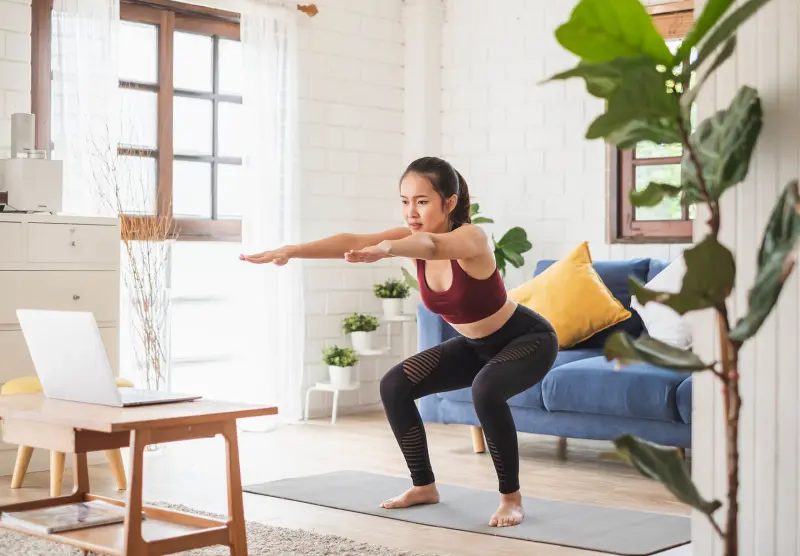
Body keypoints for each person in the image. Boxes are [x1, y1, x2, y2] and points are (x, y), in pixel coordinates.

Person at [240, 156, 559, 528]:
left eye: (422, 201)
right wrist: (290, 251)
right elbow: (352, 240)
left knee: (486, 390)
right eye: (405, 201)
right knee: (395, 384)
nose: (412, 211)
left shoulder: (472, 237)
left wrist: (389, 248)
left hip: (527, 339)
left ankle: (511, 499)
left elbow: (434, 247)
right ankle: (423, 486)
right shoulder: (409, 237)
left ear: (449, 202)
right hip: (475, 346)